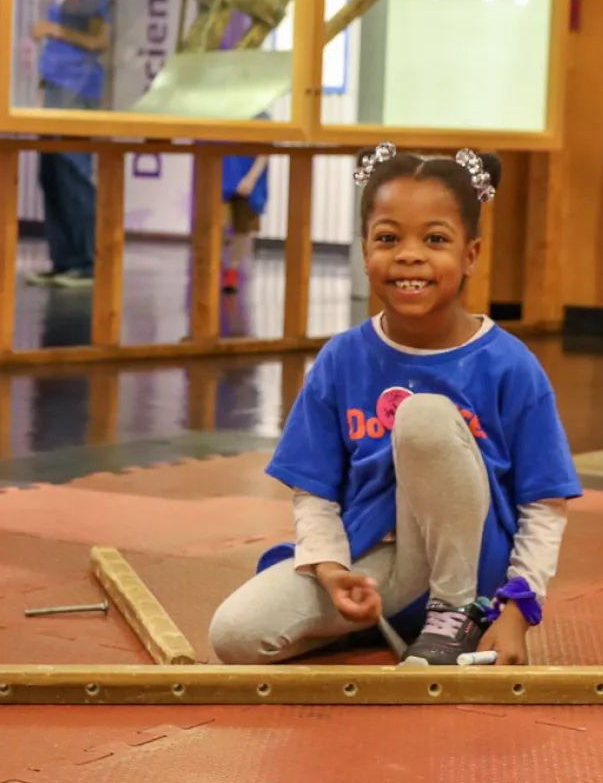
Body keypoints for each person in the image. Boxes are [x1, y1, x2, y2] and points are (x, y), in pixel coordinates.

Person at [209, 144, 582, 667]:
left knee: (423, 415)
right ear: (364, 251)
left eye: (435, 239)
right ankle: (390, 622)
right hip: (379, 564)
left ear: (471, 254)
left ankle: (455, 615)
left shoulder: (509, 364)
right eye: (388, 238)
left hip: (474, 572)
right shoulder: (341, 358)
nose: (409, 255)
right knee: (235, 635)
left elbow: (543, 505)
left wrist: (517, 611)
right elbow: (313, 493)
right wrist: (331, 568)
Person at [29, 0, 110, 287]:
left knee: (75, 171)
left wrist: (55, 32)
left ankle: (86, 262)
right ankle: (63, 259)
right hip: (55, 83)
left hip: (78, 87)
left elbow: (99, 40)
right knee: (52, 173)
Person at [220, 155, 269, 293]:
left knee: (243, 227)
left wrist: (251, 178)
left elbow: (264, 152)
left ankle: (232, 269)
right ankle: (216, 265)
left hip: (247, 171)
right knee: (218, 222)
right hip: (221, 171)